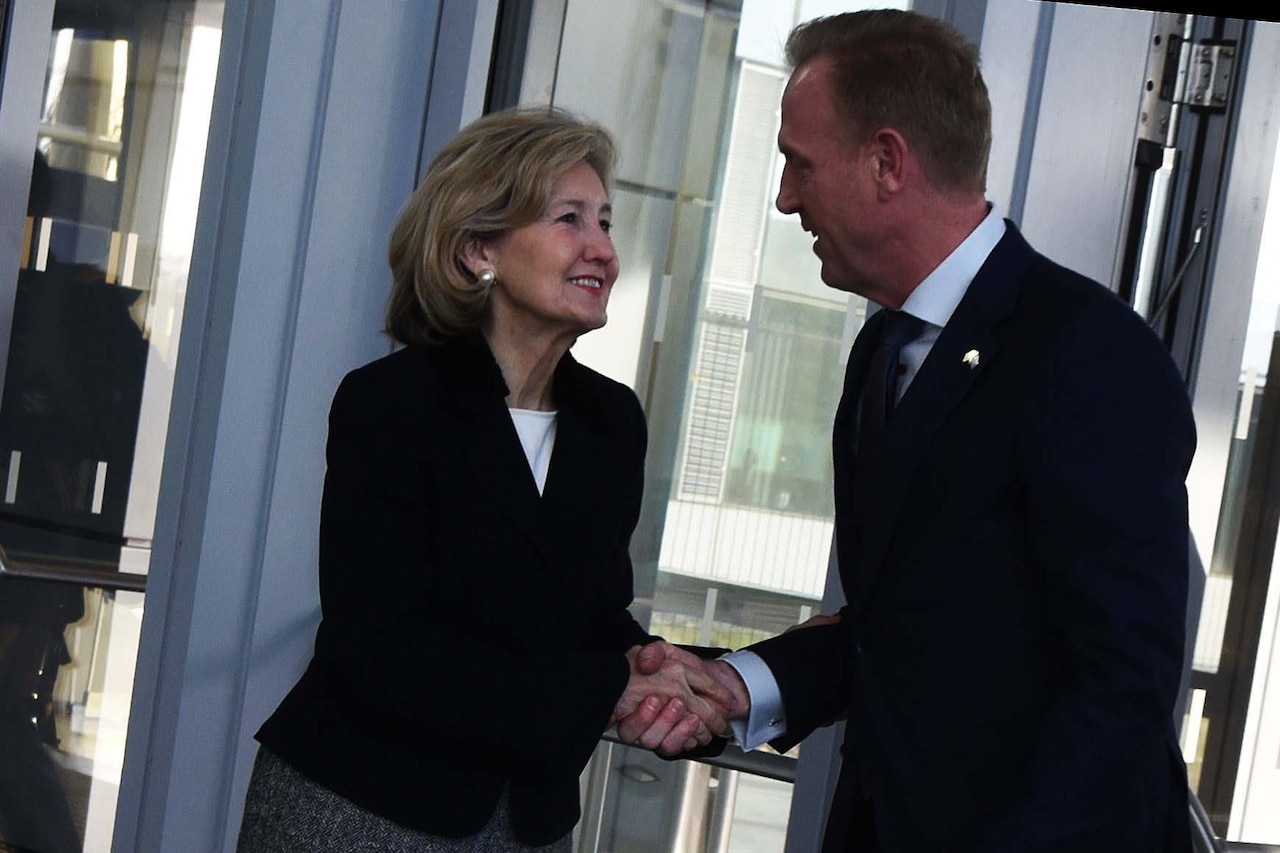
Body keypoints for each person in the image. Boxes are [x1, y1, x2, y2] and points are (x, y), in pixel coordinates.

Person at [620, 10, 1196, 852]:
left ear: (887, 162)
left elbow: (1120, 688)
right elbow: (902, 629)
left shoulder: (1087, 352)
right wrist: (739, 683)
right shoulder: (884, 345)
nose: (784, 198)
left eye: (797, 164)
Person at [237, 106, 730, 852]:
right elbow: (382, 649)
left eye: (606, 223)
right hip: (359, 810)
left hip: (525, 823)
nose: (602, 248)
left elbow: (590, 616)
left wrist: (655, 668)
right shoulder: (391, 404)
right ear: (477, 251)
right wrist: (607, 687)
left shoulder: (611, 420)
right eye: (570, 220)